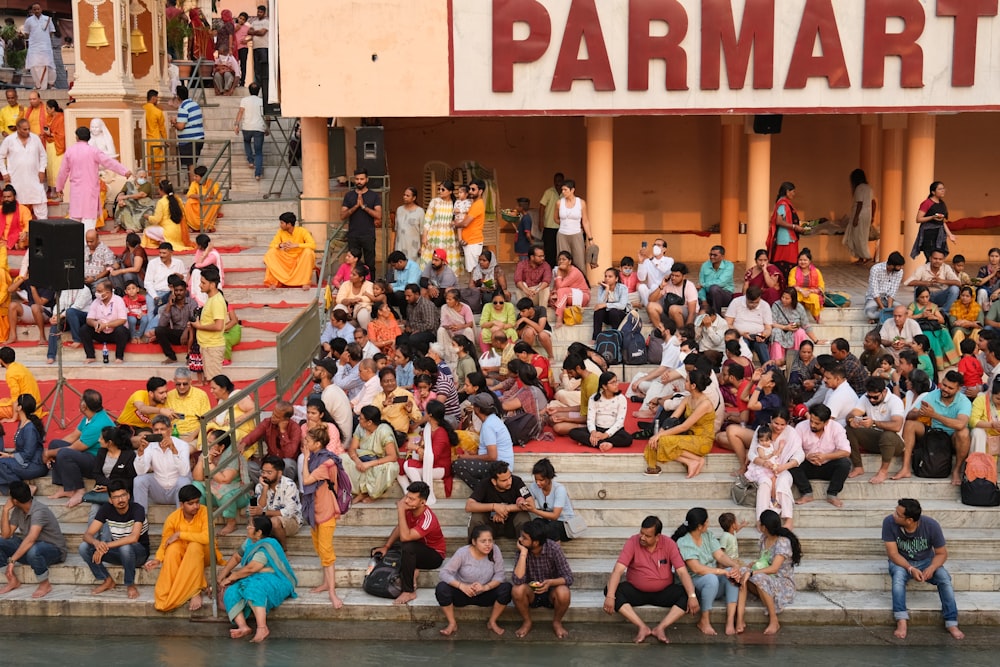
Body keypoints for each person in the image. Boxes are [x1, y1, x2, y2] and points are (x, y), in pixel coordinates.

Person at [603, 515, 697, 644]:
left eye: (647, 536)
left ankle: (661, 628)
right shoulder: (632, 542)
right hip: (636, 592)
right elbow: (618, 570)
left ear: (658, 537)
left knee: (691, 594)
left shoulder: (669, 544)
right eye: (641, 533)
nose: (642, 537)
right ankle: (642, 627)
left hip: (663, 593)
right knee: (610, 590)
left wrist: (692, 596)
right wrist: (610, 596)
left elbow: (682, 572)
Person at [883, 498, 964, 640]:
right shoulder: (889, 522)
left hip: (927, 561)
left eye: (898, 514)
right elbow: (893, 554)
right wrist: (910, 568)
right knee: (898, 578)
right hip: (901, 562)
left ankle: (951, 622)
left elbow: (942, 553)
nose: (893, 515)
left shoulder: (931, 525)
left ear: (909, 520)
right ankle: (901, 620)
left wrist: (932, 567)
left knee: (944, 578)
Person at [217, 516, 298, 643]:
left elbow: (252, 568)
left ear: (259, 532)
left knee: (253, 589)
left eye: (250, 526)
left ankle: (262, 628)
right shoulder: (250, 542)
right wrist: (223, 574)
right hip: (254, 577)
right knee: (231, 591)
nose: (247, 528)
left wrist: (231, 577)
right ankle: (243, 627)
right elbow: (237, 557)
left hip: (275, 579)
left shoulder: (268, 545)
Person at [143, 484, 221, 612]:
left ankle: (195, 591)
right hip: (184, 556)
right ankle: (168, 592)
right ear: (181, 504)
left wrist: (180, 534)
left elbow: (207, 538)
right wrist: (157, 559)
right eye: (191, 503)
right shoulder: (172, 518)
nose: (196, 506)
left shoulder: (205, 512)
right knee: (173, 549)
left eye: (197, 502)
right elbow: (165, 542)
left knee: (195, 546)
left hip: (206, 554)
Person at [373, 481, 446, 606]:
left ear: (422, 502)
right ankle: (413, 570)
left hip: (434, 555)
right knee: (388, 549)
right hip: (416, 546)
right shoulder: (409, 509)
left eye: (412, 499)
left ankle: (409, 591)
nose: (406, 501)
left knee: (407, 546)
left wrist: (400, 510)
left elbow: (406, 537)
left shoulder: (428, 518)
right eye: (407, 496)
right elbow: (400, 528)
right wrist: (386, 546)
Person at [672, 508, 742, 636]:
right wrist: (721, 571)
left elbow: (720, 556)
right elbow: (696, 569)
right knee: (711, 578)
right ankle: (704, 620)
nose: (709, 523)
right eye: (707, 521)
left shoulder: (708, 535)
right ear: (699, 526)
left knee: (731, 574)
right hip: (695, 584)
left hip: (713, 583)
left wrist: (734, 565)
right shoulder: (684, 541)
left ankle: (730, 621)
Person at [896, 370, 972, 485]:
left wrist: (934, 415)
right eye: (944, 385)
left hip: (952, 438)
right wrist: (919, 413)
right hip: (934, 434)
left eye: (950, 388)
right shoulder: (933, 395)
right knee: (910, 424)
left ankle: (956, 470)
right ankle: (905, 468)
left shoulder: (964, 402)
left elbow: (960, 424)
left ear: (958, 389)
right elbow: (910, 415)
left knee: (964, 433)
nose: (945, 389)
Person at [78, 479, 149, 599]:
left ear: (128, 496)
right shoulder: (106, 509)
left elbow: (134, 538)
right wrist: (96, 543)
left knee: (125, 548)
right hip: (119, 552)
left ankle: (130, 584)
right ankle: (107, 580)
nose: (120, 500)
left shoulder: (138, 509)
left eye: (123, 495)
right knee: (83, 547)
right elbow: (87, 535)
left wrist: (105, 546)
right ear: (110, 500)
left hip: (139, 554)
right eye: (116, 497)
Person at [734, 509, 802, 635]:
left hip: (781, 583)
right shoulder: (764, 538)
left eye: (760, 523)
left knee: (757, 577)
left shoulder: (783, 542)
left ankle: (774, 620)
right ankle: (740, 619)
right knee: (742, 572)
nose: (758, 524)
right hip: (767, 578)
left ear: (764, 527)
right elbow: (764, 560)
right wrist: (752, 566)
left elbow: (774, 568)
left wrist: (753, 573)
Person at [436, 524, 511, 636]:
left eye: (490, 540)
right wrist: (462, 586)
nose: (488, 544)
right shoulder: (463, 552)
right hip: (463, 594)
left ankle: (492, 621)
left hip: (485, 593)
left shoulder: (495, 550)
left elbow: (500, 575)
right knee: (442, 588)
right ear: (474, 542)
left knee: (507, 588)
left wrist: (486, 587)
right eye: (483, 541)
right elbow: (444, 573)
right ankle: (452, 623)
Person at [300, 426, 344, 609]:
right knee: (320, 548)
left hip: (326, 511)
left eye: (308, 442)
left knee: (326, 552)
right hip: (314, 509)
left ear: (317, 444)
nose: (305, 444)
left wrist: (304, 460)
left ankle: (333, 593)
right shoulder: (317, 459)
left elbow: (307, 481)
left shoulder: (326, 463)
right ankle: (326, 583)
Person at [643, 370, 716, 478]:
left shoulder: (705, 403)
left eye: (686, 381)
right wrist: (659, 434)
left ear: (693, 385)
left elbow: (684, 426)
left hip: (703, 440)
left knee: (662, 440)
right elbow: (672, 419)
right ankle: (691, 461)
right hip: (689, 436)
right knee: (658, 441)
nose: (684, 383)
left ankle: (696, 460)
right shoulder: (687, 399)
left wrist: (659, 435)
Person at [0, 480, 66, 599]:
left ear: (15, 500)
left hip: (53, 550)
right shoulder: (18, 510)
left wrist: (12, 560)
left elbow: (31, 539)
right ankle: (12, 580)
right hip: (31, 549)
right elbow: (6, 535)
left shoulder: (39, 511)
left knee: (34, 550)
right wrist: (5, 511)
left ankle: (45, 584)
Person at [512, 518, 574, 639]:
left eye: (524, 538)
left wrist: (550, 583)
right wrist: (523, 553)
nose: (520, 540)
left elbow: (569, 577)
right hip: (531, 593)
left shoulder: (553, 549)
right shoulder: (522, 550)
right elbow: (517, 580)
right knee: (517, 590)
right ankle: (527, 621)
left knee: (564, 592)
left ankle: (557, 622)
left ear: (535, 543)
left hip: (551, 592)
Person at [846, 377, 906, 484]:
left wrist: (874, 423)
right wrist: (851, 420)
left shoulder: (895, 401)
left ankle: (883, 471)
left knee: (887, 435)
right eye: (869, 397)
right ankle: (858, 466)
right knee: (849, 429)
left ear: (884, 391)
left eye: (875, 397)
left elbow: (897, 426)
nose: (871, 400)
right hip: (875, 439)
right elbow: (853, 413)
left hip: (895, 443)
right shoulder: (865, 398)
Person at [791, 404, 852, 508]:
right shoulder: (801, 427)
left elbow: (846, 451)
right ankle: (807, 493)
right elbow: (793, 449)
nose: (813, 425)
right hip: (807, 465)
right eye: (811, 421)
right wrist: (806, 456)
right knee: (791, 462)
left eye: (817, 423)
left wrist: (826, 456)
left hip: (828, 466)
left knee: (845, 463)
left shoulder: (836, 427)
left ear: (826, 422)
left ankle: (832, 494)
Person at [454, 393, 515, 488]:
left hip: (499, 467)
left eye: (474, 406)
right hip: (497, 464)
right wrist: (473, 454)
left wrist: (467, 457)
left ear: (477, 409)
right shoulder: (491, 420)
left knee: (458, 465)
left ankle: (482, 489)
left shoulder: (488, 425)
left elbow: (492, 456)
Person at [191, 431, 246, 536]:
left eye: (211, 443)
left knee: (224, 490)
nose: (208, 445)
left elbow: (224, 480)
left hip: (236, 493)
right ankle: (201, 519)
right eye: (207, 442)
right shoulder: (207, 452)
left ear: (222, 447)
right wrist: (201, 460)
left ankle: (231, 523)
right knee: (195, 486)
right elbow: (198, 478)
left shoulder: (232, 456)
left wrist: (210, 463)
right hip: (212, 492)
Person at [132, 415, 191, 512]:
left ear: (170, 430)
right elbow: (140, 472)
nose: (159, 432)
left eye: (162, 429)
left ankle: (181, 519)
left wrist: (173, 449)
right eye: (156, 430)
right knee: (139, 480)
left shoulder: (182, 445)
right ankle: (140, 518)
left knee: (184, 481)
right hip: (158, 490)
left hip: (177, 491)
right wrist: (141, 452)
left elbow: (184, 472)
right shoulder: (150, 446)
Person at [345, 405, 399, 502]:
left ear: (369, 422)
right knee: (342, 458)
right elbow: (352, 448)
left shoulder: (384, 431)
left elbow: (392, 456)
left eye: (361, 418)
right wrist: (357, 461)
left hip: (379, 462)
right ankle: (360, 492)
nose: (358, 419)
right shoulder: (360, 427)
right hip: (362, 459)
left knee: (391, 467)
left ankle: (372, 494)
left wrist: (369, 464)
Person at [465, 460, 531, 539]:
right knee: (476, 518)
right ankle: (475, 550)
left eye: (510, 477)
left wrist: (505, 509)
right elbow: (469, 506)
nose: (509, 482)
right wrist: (494, 507)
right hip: (490, 524)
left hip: (511, 522)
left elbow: (530, 504)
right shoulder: (484, 484)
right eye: (504, 480)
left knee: (524, 518)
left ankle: (525, 550)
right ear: (494, 481)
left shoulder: (517, 481)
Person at [523, 457, 583, 542]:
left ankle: (554, 551)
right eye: (536, 480)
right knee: (536, 524)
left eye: (541, 480)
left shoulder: (559, 489)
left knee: (551, 527)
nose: (538, 483)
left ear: (549, 478)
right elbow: (527, 499)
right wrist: (522, 502)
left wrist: (534, 510)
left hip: (565, 524)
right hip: (548, 521)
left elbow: (555, 516)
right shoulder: (534, 486)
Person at [239, 400, 301, 482]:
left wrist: (283, 432)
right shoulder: (268, 422)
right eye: (273, 414)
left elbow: (289, 454)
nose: (273, 417)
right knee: (250, 466)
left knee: (288, 463)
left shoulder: (295, 428)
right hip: (271, 462)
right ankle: (266, 488)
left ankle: (286, 488)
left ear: (286, 419)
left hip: (285, 465)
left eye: (277, 417)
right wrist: (244, 443)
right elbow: (254, 434)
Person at [569, 371, 631, 451]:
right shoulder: (593, 398)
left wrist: (606, 435)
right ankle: (605, 443)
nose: (617, 384)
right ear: (604, 386)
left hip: (614, 430)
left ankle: (597, 442)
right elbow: (590, 419)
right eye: (613, 383)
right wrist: (593, 432)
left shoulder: (621, 399)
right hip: (597, 428)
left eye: (616, 381)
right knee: (573, 432)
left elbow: (620, 422)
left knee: (628, 438)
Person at [0, 118, 48, 220]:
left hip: (35, 177)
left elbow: (43, 155)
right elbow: (1, 156)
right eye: (24, 129)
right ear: (17, 128)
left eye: (28, 129)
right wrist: (4, 172)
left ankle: (45, 230)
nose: (27, 132)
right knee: (17, 204)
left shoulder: (35, 138)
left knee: (40, 201)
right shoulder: (9, 140)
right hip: (16, 178)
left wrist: (42, 170)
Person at [251, 456, 302, 549]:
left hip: (291, 520)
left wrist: (263, 513)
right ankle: (257, 551)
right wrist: (265, 489)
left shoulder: (289, 485)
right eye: (263, 472)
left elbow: (288, 512)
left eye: (269, 472)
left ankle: (283, 549)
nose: (264, 475)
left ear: (279, 473)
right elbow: (260, 507)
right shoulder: (260, 486)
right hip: (268, 518)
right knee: (252, 522)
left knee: (274, 521)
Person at [0, 395, 46, 493]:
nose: (13, 404)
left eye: (16, 402)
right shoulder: (22, 423)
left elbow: (28, 454)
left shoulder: (29, 428)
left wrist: (10, 456)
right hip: (25, 461)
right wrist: (8, 456)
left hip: (33, 465)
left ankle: (25, 488)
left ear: (20, 407)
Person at [340, 168, 382, 272]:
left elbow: (378, 215)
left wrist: (363, 207)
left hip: (368, 235)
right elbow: (342, 216)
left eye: (362, 179)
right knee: (353, 264)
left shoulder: (374, 196)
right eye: (357, 179)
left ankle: (370, 285)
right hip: (353, 235)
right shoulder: (349, 195)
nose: (359, 181)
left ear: (367, 180)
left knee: (370, 264)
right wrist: (355, 207)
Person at [909, 286, 960, 369]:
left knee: (944, 332)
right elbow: (907, 317)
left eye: (927, 297)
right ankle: (937, 363)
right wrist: (921, 315)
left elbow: (942, 320)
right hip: (921, 328)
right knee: (930, 336)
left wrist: (934, 317)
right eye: (922, 297)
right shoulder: (913, 306)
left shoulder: (932, 306)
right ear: (917, 297)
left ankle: (952, 360)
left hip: (933, 327)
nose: (925, 299)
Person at [80, 281, 129, 364]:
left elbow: (122, 319)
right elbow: (89, 319)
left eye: (99, 291)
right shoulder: (96, 301)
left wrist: (106, 325)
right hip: (100, 331)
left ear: (107, 292)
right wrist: (95, 324)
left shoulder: (118, 300)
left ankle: (119, 357)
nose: (96, 293)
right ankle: (90, 356)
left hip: (115, 333)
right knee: (84, 329)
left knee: (121, 330)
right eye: (96, 291)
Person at [191, 266, 226, 381]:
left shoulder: (216, 301)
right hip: (207, 345)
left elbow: (218, 326)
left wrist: (199, 326)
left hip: (212, 347)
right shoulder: (211, 299)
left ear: (212, 284)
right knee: (213, 382)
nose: (200, 285)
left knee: (216, 383)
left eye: (203, 282)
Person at [264, 212, 316, 289]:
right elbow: (272, 245)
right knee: (271, 252)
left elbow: (313, 245)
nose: (280, 225)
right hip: (286, 258)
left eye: (282, 223)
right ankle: (273, 282)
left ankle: (305, 282)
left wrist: (297, 245)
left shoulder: (302, 231)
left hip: (299, 258)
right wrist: (280, 245)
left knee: (308, 252)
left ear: (289, 224)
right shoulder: (280, 232)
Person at [905, 249, 962, 317]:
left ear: (943, 260)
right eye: (935, 258)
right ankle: (918, 311)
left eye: (940, 259)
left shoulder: (946, 268)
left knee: (955, 289)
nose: (937, 261)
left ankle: (944, 313)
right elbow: (908, 282)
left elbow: (958, 283)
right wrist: (926, 283)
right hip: (926, 296)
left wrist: (942, 281)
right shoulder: (923, 268)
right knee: (918, 287)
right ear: (930, 258)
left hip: (940, 296)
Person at [770, 287, 819, 366]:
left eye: (787, 298)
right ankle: (778, 360)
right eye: (783, 297)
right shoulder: (776, 305)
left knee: (800, 332)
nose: (784, 300)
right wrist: (785, 327)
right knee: (776, 331)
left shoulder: (799, 307)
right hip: (780, 329)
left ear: (792, 299)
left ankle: (797, 358)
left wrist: (816, 340)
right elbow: (772, 322)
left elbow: (805, 324)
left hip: (793, 331)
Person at [555, 179, 593, 279]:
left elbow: (585, 221)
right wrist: (565, 224)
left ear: (572, 190)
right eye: (562, 190)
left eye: (565, 190)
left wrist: (590, 238)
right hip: (562, 235)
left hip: (576, 234)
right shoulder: (559, 203)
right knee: (563, 260)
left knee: (579, 261)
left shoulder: (581, 203)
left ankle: (581, 283)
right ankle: (564, 283)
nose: (563, 192)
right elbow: (555, 218)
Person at [725, 285, 773, 364]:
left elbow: (768, 328)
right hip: (740, 335)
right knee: (743, 344)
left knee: (761, 346)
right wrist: (740, 333)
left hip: (758, 337)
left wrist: (764, 335)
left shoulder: (765, 305)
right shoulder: (736, 302)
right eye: (751, 302)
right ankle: (745, 368)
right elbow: (728, 323)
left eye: (756, 303)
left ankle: (768, 368)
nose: (753, 305)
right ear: (746, 297)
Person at [766, 181, 805, 275]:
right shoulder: (783, 204)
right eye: (793, 191)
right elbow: (778, 221)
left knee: (790, 263)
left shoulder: (785, 203)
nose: (794, 194)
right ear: (787, 191)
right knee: (785, 263)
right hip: (785, 239)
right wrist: (794, 226)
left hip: (789, 238)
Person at [421, 180, 460, 273]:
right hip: (434, 237)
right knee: (433, 259)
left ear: (450, 192)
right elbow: (427, 219)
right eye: (439, 189)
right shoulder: (435, 202)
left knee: (448, 261)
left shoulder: (456, 204)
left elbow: (460, 220)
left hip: (449, 238)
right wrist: (424, 236)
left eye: (443, 189)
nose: (440, 191)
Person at [912, 181, 955, 262]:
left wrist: (950, 234)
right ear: (933, 192)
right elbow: (918, 219)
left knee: (939, 258)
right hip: (929, 234)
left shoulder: (942, 203)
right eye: (940, 189)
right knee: (931, 258)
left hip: (939, 234)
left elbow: (942, 222)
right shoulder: (927, 203)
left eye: (943, 188)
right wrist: (932, 217)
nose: (943, 190)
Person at [142, 181, 192, 250]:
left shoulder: (161, 202)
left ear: (162, 190)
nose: (158, 191)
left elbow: (156, 220)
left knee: (147, 230)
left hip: (168, 232)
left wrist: (148, 217)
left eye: (159, 189)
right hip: (179, 231)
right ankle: (164, 241)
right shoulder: (178, 199)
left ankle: (164, 241)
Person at [234, 83, 268, 181]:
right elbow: (267, 116)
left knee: (247, 142)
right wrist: (267, 127)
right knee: (258, 152)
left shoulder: (244, 100)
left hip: (247, 127)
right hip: (259, 128)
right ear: (259, 91)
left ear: (249, 90)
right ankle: (257, 174)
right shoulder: (262, 101)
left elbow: (240, 112)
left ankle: (250, 161)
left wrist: (236, 124)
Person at [172, 86, 204, 182]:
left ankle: (192, 188)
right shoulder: (194, 104)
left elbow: (181, 126)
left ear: (178, 97)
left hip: (189, 141)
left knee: (191, 166)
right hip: (199, 138)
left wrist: (174, 123)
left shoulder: (183, 107)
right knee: (193, 164)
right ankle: (194, 186)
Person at [843, 168, 875, 263]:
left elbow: (859, 204)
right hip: (867, 215)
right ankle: (861, 258)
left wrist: (856, 217)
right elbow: (874, 203)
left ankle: (867, 256)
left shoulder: (859, 188)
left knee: (858, 237)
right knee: (862, 236)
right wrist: (872, 216)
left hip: (860, 215)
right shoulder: (869, 188)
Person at [550, 250, 590, 326]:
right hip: (568, 296)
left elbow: (560, 287)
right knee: (551, 297)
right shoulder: (558, 270)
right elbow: (555, 288)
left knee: (562, 292)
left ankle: (559, 318)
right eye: (559, 259)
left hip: (582, 296)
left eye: (564, 259)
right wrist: (553, 294)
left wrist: (558, 275)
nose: (561, 261)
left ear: (570, 261)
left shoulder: (574, 272)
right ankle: (565, 313)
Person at [865, 251, 906, 323]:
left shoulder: (899, 272)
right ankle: (886, 317)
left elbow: (893, 292)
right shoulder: (875, 269)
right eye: (899, 266)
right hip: (874, 299)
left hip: (887, 300)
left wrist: (889, 309)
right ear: (892, 265)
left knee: (903, 310)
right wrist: (883, 309)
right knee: (869, 314)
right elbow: (875, 292)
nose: (901, 268)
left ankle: (882, 317)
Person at [455, 179, 487, 273]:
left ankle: (473, 287)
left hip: (473, 242)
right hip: (470, 242)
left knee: (474, 271)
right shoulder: (473, 204)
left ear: (480, 191)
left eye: (473, 189)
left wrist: (456, 224)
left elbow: (465, 223)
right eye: (469, 189)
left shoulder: (477, 205)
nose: (470, 192)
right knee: (472, 271)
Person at [0, 346, 40, 420]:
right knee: (3, 401)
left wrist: (13, 418)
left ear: (1, 360)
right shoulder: (19, 366)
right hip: (34, 404)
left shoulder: (10, 373)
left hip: (25, 409)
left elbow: (15, 397)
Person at [787, 248, 825, 323]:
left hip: (811, 292)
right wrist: (802, 291)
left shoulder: (816, 271)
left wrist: (810, 291)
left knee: (814, 298)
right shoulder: (794, 270)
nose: (802, 262)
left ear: (809, 261)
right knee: (794, 297)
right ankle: (794, 318)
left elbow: (821, 286)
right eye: (800, 260)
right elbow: (791, 284)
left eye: (805, 260)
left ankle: (817, 317)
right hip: (798, 291)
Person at [22, 4, 55, 89]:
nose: (36, 11)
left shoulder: (47, 19)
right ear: (32, 11)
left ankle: (50, 84)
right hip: (34, 47)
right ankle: (38, 85)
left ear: (41, 9)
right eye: (34, 9)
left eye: (38, 9)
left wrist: (45, 40)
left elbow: (51, 32)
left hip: (45, 47)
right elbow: (27, 33)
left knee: (48, 65)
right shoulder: (29, 21)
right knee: (34, 66)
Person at [591, 267, 628, 341]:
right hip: (608, 315)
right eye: (605, 276)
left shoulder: (622, 288)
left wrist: (606, 305)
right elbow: (599, 304)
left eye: (610, 276)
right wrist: (606, 289)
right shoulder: (602, 288)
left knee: (613, 311)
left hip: (620, 315)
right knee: (598, 311)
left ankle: (616, 336)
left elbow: (622, 305)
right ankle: (596, 337)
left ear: (616, 279)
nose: (607, 278)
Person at [184, 166, 222, 233]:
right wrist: (199, 196)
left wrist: (209, 197)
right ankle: (192, 226)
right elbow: (189, 194)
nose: (194, 178)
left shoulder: (213, 183)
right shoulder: (194, 183)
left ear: (203, 177)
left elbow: (218, 196)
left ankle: (208, 226)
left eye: (196, 176)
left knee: (215, 203)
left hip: (208, 202)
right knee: (189, 202)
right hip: (198, 201)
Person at [637, 238, 674, 306]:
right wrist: (641, 262)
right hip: (651, 291)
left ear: (664, 249)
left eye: (658, 245)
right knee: (641, 286)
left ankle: (648, 306)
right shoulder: (647, 261)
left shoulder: (669, 260)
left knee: (655, 286)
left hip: (663, 291)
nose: (655, 247)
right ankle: (648, 306)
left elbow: (664, 269)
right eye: (654, 245)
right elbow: (641, 278)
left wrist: (651, 258)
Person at [514, 244, 552, 309]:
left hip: (537, 293)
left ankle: (542, 311)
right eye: (540, 256)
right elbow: (517, 280)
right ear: (532, 257)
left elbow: (547, 280)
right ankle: (523, 310)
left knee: (545, 287)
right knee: (521, 285)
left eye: (543, 256)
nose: (542, 258)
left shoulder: (546, 265)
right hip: (526, 294)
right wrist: (526, 290)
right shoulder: (521, 264)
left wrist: (537, 290)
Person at [698, 245, 735, 312]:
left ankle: (716, 314)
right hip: (708, 294)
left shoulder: (729, 265)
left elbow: (721, 283)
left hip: (725, 294)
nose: (712, 257)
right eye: (710, 254)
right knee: (694, 297)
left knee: (714, 289)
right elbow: (700, 284)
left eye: (715, 255)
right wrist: (704, 300)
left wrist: (704, 285)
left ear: (722, 256)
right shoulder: (704, 265)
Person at [143, 90, 166, 181]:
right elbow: (162, 129)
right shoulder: (158, 112)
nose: (157, 100)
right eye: (157, 98)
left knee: (147, 167)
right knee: (156, 169)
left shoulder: (142, 109)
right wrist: (165, 140)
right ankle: (155, 188)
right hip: (155, 142)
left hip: (145, 143)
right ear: (153, 98)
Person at [248, 5, 271, 97]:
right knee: (256, 68)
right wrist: (256, 32)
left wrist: (254, 32)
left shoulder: (266, 22)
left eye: (261, 12)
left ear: (264, 13)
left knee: (264, 67)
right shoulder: (254, 22)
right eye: (258, 12)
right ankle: (258, 85)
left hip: (264, 47)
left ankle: (265, 85)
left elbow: (262, 33)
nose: (259, 13)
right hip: (255, 47)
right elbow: (249, 31)